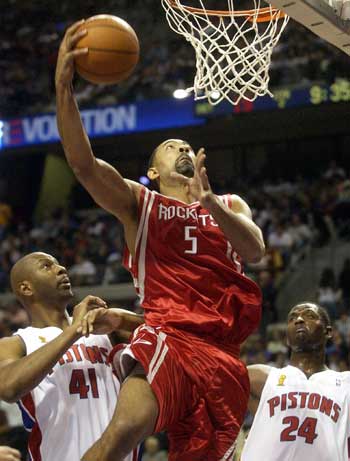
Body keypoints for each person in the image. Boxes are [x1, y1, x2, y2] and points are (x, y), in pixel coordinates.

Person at [55, 20, 265, 461]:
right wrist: (64, 90)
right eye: (172, 147)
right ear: (153, 171)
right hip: (168, 339)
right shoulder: (141, 204)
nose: (183, 150)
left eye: (187, 146)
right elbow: (83, 166)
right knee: (124, 432)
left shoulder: (229, 203)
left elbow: (255, 251)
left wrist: (211, 204)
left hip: (223, 356)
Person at [0, 252, 143, 461]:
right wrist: (73, 331)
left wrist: (122, 319)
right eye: (46, 266)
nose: (61, 269)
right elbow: (8, 388)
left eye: (59, 264)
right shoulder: (16, 343)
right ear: (26, 288)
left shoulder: (103, 327)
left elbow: (172, 335)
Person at [242, 302, 350, 460]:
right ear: (287, 339)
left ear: (328, 332)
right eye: (293, 318)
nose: (299, 320)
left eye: (309, 316)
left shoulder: (345, 384)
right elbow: (209, 375)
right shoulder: (262, 378)